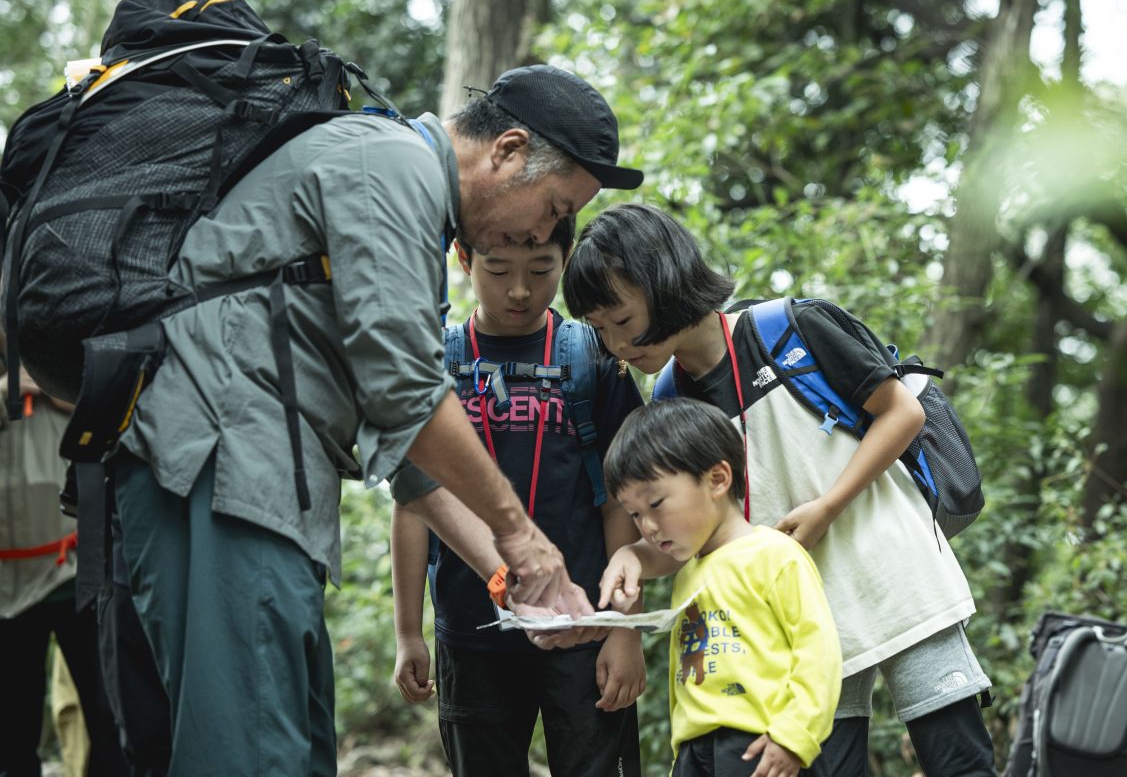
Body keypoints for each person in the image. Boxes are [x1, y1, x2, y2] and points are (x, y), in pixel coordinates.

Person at [106, 64, 643, 776]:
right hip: (218, 466)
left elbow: (403, 450)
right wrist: (524, 538)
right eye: (552, 206)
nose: (548, 229)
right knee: (249, 749)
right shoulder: (390, 168)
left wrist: (511, 572)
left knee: (292, 742)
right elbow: (407, 395)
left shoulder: (406, 205)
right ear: (507, 151)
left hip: (261, 484)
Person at [564, 204, 997, 777]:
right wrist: (631, 556)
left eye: (620, 319)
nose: (616, 345)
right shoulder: (670, 400)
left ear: (661, 281)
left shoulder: (787, 328)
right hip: (800, 613)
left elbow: (902, 413)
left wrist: (826, 507)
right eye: (599, 330)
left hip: (895, 577)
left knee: (958, 759)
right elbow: (695, 534)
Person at [390, 214, 645, 776]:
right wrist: (408, 631)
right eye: (498, 270)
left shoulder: (594, 356)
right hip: (471, 632)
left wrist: (625, 633)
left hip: (586, 626)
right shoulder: (435, 365)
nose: (520, 290)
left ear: (566, 259)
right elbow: (412, 502)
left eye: (542, 269)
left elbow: (623, 499)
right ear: (463, 259)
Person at [600, 398, 841, 777]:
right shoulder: (688, 572)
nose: (646, 526)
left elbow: (819, 654)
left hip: (763, 744)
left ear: (717, 479)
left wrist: (794, 736)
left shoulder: (775, 554)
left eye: (656, 504)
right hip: (696, 751)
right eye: (634, 514)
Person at [0, 363, 128, 777]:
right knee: (12, 733)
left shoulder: (52, 337)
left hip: (77, 568)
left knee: (110, 715)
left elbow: (120, 408)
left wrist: (60, 385)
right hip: (5, 589)